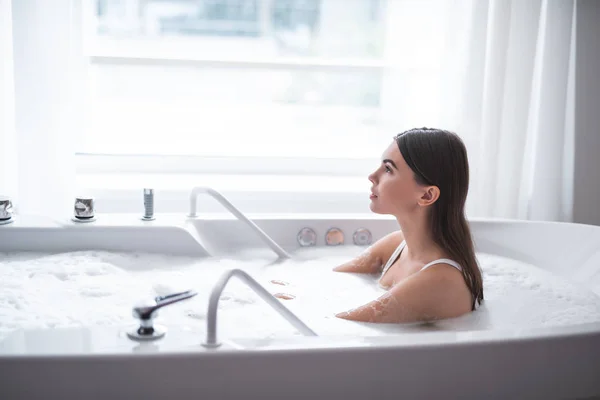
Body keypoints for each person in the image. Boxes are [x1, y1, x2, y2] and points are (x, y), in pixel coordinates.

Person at [333, 127, 483, 323]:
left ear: (426, 195)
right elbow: (333, 278)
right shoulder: (397, 245)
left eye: (388, 169)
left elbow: (341, 323)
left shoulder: (441, 281)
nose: (372, 176)